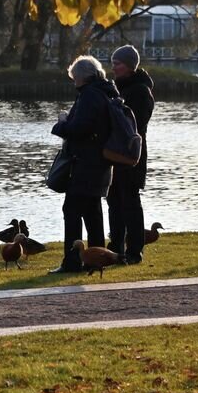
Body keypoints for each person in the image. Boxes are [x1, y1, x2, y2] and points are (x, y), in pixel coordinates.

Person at [49, 55, 120, 273]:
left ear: (83, 77)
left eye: (75, 78)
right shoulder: (106, 93)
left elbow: (81, 129)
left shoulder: (90, 96)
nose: (74, 82)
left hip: (85, 165)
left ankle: (72, 262)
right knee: (92, 213)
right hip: (101, 165)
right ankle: (97, 260)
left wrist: (61, 124)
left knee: (71, 211)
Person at [107, 45, 155, 265]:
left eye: (118, 63)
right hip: (115, 154)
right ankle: (115, 245)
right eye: (113, 63)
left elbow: (137, 125)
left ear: (129, 65)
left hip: (131, 155)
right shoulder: (119, 88)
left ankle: (135, 249)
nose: (114, 67)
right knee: (114, 199)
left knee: (130, 201)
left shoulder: (140, 92)